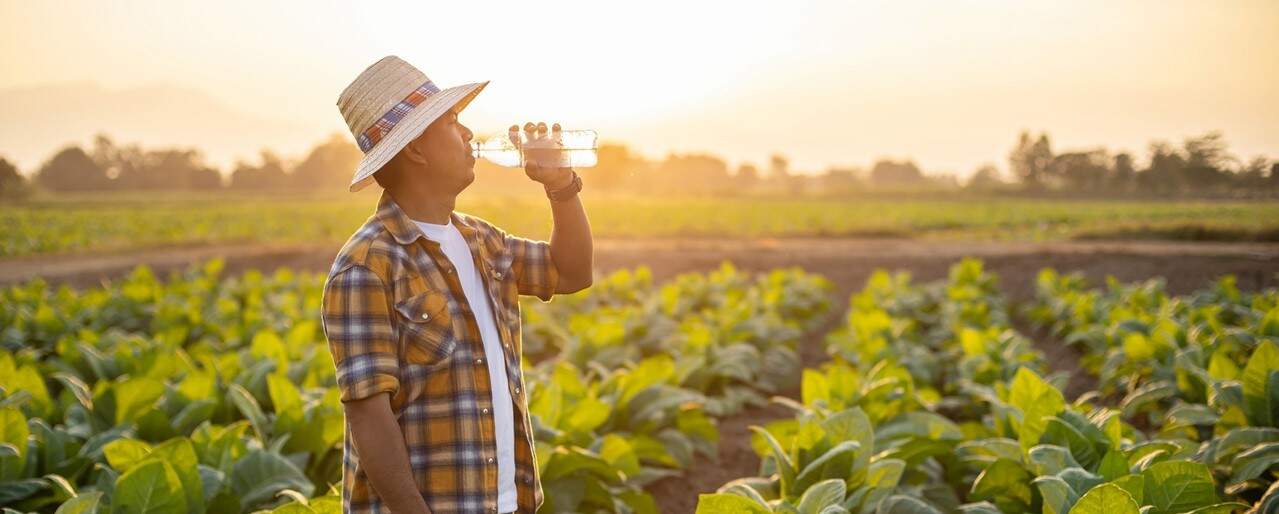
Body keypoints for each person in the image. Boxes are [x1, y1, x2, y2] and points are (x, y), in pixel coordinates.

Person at [322, 55, 594, 514]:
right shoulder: (366, 266)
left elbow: (572, 273)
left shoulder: (482, 242)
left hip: (502, 502)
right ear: (415, 150)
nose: (469, 134)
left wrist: (562, 186)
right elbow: (370, 416)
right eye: (452, 122)